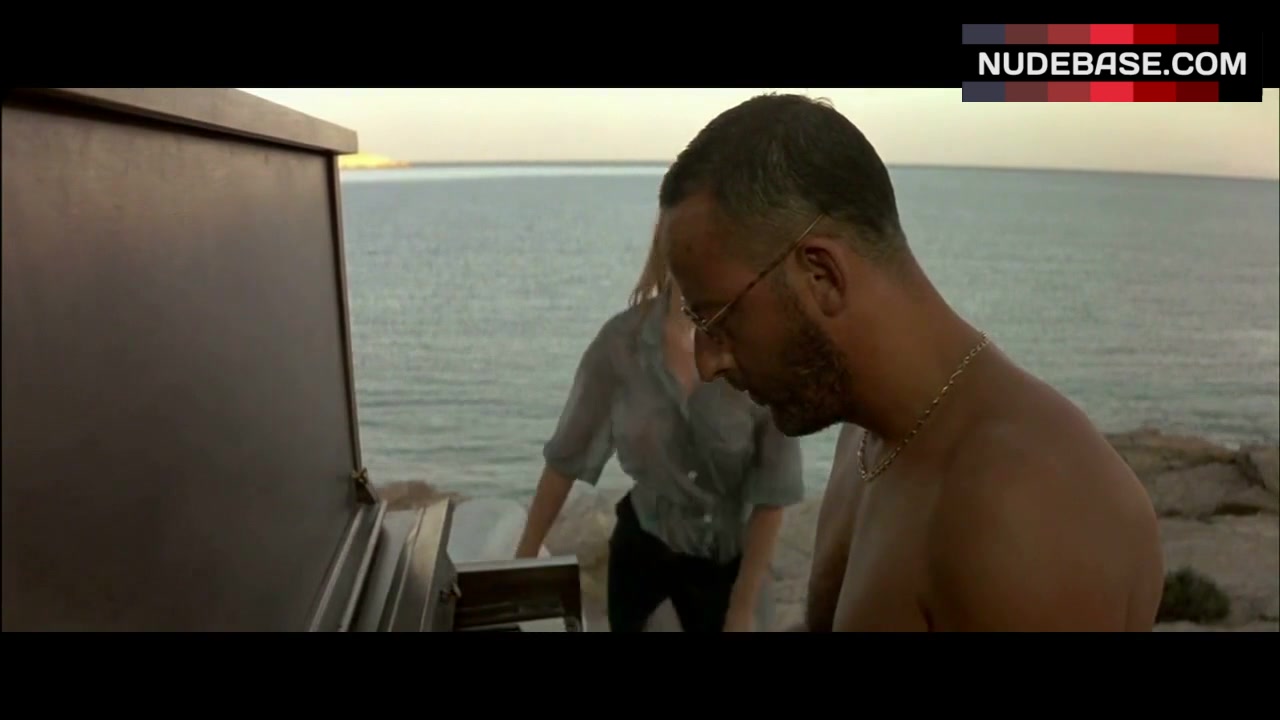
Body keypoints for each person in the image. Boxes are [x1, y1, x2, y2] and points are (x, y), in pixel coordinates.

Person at [657, 93, 1165, 632]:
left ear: (821, 275)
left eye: (718, 320)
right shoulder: (864, 436)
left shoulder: (1018, 508)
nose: (708, 363)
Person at [514, 221, 805, 632]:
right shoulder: (620, 345)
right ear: (664, 248)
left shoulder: (760, 348)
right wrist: (523, 562)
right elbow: (564, 459)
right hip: (642, 561)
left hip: (733, 573)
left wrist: (741, 608)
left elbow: (773, 495)